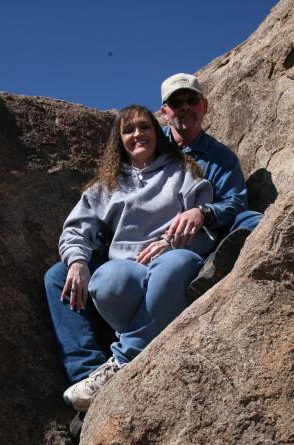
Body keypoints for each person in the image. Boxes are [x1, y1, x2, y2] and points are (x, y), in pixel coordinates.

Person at [45, 104, 218, 413]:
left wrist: (170, 242)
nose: (138, 134)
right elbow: (76, 228)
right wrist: (78, 261)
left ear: (157, 132)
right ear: (119, 140)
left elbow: (204, 222)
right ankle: (88, 374)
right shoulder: (107, 185)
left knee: (176, 265)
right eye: (129, 130)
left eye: (144, 127)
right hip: (125, 269)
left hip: (172, 259)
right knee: (75, 277)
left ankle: (121, 362)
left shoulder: (183, 170)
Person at [160, 73, 263, 300]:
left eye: (192, 100)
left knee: (252, 220)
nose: (186, 107)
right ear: (165, 112)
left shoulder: (221, 157)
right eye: (177, 103)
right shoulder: (149, 146)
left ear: (204, 106)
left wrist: (203, 212)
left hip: (199, 238)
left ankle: (211, 268)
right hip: (152, 234)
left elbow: (236, 202)